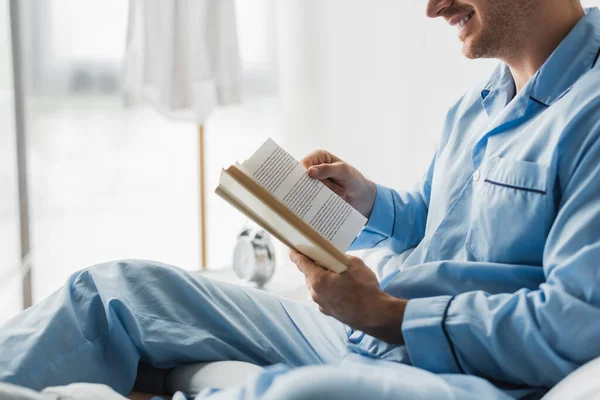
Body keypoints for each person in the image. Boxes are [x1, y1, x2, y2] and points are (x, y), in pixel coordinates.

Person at [2, 0, 600, 398]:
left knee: (297, 395)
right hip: (365, 335)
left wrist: (387, 315)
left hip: (470, 375)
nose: (433, 6)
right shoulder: (480, 101)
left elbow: (572, 324)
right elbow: (437, 223)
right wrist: (367, 202)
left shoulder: (591, 113)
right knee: (115, 288)